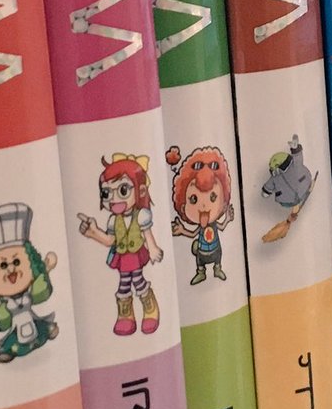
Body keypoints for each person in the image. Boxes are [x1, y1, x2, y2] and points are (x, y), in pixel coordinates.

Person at [79, 154, 165, 335]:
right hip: (122, 257)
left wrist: (153, 249)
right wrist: (93, 232)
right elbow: (110, 241)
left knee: (138, 281)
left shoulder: (141, 215)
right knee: (124, 284)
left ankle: (150, 307)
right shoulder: (113, 220)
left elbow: (147, 235)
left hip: (136, 254)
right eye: (106, 193)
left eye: (123, 190)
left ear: (140, 190)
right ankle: (126, 315)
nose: (113, 199)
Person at [0, 202, 57, 361]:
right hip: (17, 327)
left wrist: (46, 269)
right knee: (13, 342)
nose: (11, 269)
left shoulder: (30, 292)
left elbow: (42, 292)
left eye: (17, 262)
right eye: (3, 265)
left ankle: (48, 332)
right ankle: (9, 352)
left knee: (43, 329)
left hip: (32, 321)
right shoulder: (7, 304)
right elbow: (2, 315)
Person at [166, 144, 234, 285]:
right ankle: (201, 272)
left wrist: (227, 218)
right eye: (194, 199)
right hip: (201, 252)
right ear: (183, 206)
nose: (203, 205)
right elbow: (193, 234)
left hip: (215, 250)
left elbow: (222, 226)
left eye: (213, 197)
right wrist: (182, 230)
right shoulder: (201, 226)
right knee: (199, 259)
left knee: (218, 256)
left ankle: (217, 268)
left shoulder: (213, 222)